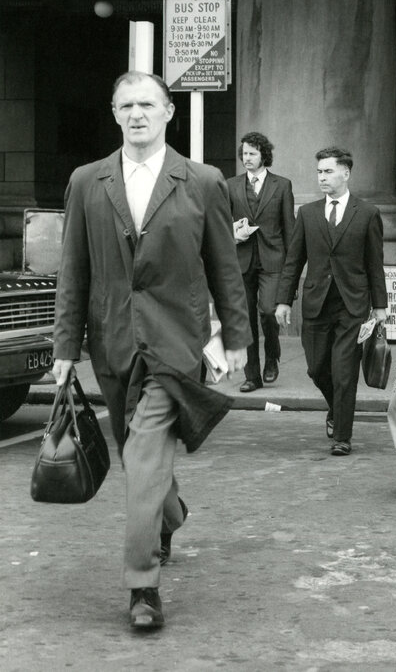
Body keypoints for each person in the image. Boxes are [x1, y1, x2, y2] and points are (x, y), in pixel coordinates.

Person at [51, 71, 251, 631]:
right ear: (115, 114)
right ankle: (172, 512)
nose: (137, 114)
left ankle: (143, 587)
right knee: (137, 457)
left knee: (141, 464)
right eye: (126, 105)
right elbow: (74, 269)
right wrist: (66, 345)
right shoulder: (88, 181)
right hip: (112, 342)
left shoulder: (203, 180)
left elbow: (224, 267)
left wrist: (237, 336)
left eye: (147, 104)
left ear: (168, 113)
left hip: (173, 345)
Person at [275, 146, 388, 456]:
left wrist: (380, 307)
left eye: (327, 171)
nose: (321, 177)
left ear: (345, 173)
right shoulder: (308, 213)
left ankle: (342, 435)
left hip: (352, 305)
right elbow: (293, 260)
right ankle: (336, 408)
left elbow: (374, 264)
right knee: (316, 368)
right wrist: (284, 300)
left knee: (344, 371)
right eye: (319, 172)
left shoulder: (367, 213)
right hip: (316, 303)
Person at [228, 131, 295, 393]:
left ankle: (272, 354)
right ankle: (252, 376)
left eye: (252, 153)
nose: (247, 158)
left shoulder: (282, 185)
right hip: (241, 260)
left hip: (273, 259)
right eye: (244, 153)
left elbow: (290, 228)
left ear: (263, 156)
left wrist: (292, 270)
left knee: (268, 311)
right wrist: (233, 231)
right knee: (245, 319)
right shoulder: (230, 185)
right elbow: (220, 223)